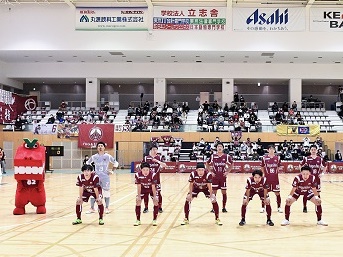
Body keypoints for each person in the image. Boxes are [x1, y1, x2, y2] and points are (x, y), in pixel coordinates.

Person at [86, 142, 119, 214]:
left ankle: (106, 208)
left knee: (106, 192)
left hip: (105, 177)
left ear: (104, 148)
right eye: (99, 146)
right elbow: (87, 163)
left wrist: (112, 171)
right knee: (93, 192)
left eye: (101, 146)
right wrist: (91, 171)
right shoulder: (94, 157)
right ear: (97, 148)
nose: (100, 147)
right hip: (96, 177)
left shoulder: (108, 156)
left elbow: (116, 163)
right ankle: (92, 208)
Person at [299, 144, 327, 213]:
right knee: (306, 193)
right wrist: (302, 173)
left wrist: (322, 173)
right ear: (310, 150)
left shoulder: (320, 159)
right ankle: (305, 206)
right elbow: (300, 165)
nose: (313, 151)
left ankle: (318, 206)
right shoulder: (306, 158)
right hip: (308, 179)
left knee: (317, 193)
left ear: (317, 150)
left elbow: (325, 166)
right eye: (312, 150)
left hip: (317, 179)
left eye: (315, 150)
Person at [206, 142, 233, 213]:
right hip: (215, 177)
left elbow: (232, 163)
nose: (220, 148)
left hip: (223, 177)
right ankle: (213, 207)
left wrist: (227, 171)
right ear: (216, 148)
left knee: (224, 192)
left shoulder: (226, 156)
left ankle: (224, 207)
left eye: (221, 146)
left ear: (223, 148)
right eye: (218, 146)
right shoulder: (213, 156)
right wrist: (211, 172)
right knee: (214, 192)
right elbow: (207, 163)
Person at [141, 145, 166, 213]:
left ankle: (160, 207)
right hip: (147, 180)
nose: (155, 151)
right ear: (151, 150)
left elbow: (165, 165)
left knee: (158, 193)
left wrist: (158, 161)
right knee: (146, 193)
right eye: (153, 149)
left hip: (156, 180)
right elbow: (141, 168)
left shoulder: (159, 157)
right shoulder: (146, 158)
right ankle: (146, 208)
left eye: (156, 149)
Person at [134, 162, 159, 226]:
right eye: (144, 170)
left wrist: (155, 196)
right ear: (141, 170)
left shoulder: (153, 175)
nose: (145, 172)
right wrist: (139, 196)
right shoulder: (137, 175)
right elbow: (138, 186)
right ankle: (138, 220)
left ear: (149, 170)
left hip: (151, 189)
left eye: (147, 170)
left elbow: (153, 187)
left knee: (156, 202)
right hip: (143, 190)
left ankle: (154, 220)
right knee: (138, 201)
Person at [260, 144, 282, 213]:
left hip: (275, 179)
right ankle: (263, 207)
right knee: (265, 193)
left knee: (277, 193)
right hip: (267, 179)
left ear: (274, 150)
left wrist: (275, 173)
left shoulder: (277, 158)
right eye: (270, 149)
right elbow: (262, 167)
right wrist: (265, 174)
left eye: (273, 149)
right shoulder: (264, 158)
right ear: (268, 150)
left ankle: (279, 207)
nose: (272, 150)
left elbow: (278, 167)